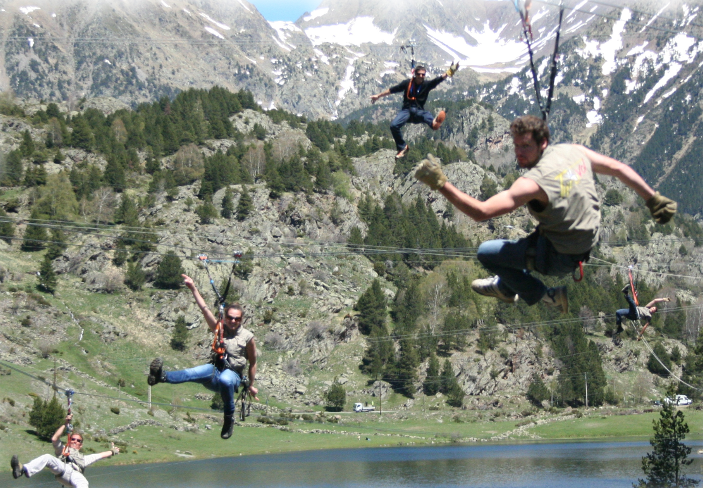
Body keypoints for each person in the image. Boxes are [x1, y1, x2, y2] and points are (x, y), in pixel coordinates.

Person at [413, 115, 677, 314]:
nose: (518, 153)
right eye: (516, 145)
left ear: (543, 143)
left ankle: (546, 295)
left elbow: (481, 212)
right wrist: (652, 198)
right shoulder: (575, 152)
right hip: (581, 242)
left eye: (525, 146)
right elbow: (618, 168)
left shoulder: (533, 183)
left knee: (486, 253)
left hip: (559, 256)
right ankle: (507, 285)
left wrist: (441, 184)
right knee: (526, 241)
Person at [147, 274, 258, 439]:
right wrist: (193, 288)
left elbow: (253, 362)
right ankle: (160, 377)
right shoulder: (218, 328)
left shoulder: (248, 337)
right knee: (192, 372)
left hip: (232, 375)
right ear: (225, 317)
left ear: (241, 320)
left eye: (237, 319)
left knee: (226, 380)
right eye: (229, 317)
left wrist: (250, 385)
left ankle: (229, 418)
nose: (233, 321)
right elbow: (204, 308)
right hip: (215, 370)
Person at [371, 62, 458, 159]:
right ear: (415, 74)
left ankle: (434, 123)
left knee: (426, 115)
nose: (421, 76)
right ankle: (403, 147)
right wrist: (378, 96)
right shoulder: (407, 83)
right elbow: (393, 90)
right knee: (393, 126)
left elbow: (438, 80)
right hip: (407, 111)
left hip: (418, 112)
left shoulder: (426, 85)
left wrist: (449, 72)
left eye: (423, 74)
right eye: (419, 74)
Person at [10, 414, 118, 486]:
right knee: (47, 457)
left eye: (78, 441)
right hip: (62, 471)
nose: (75, 441)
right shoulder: (63, 450)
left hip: (75, 475)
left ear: (81, 445)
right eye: (73, 439)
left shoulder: (83, 459)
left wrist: (113, 451)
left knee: (83, 482)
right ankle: (22, 470)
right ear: (70, 441)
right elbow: (54, 439)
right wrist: (65, 424)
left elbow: (100, 455)